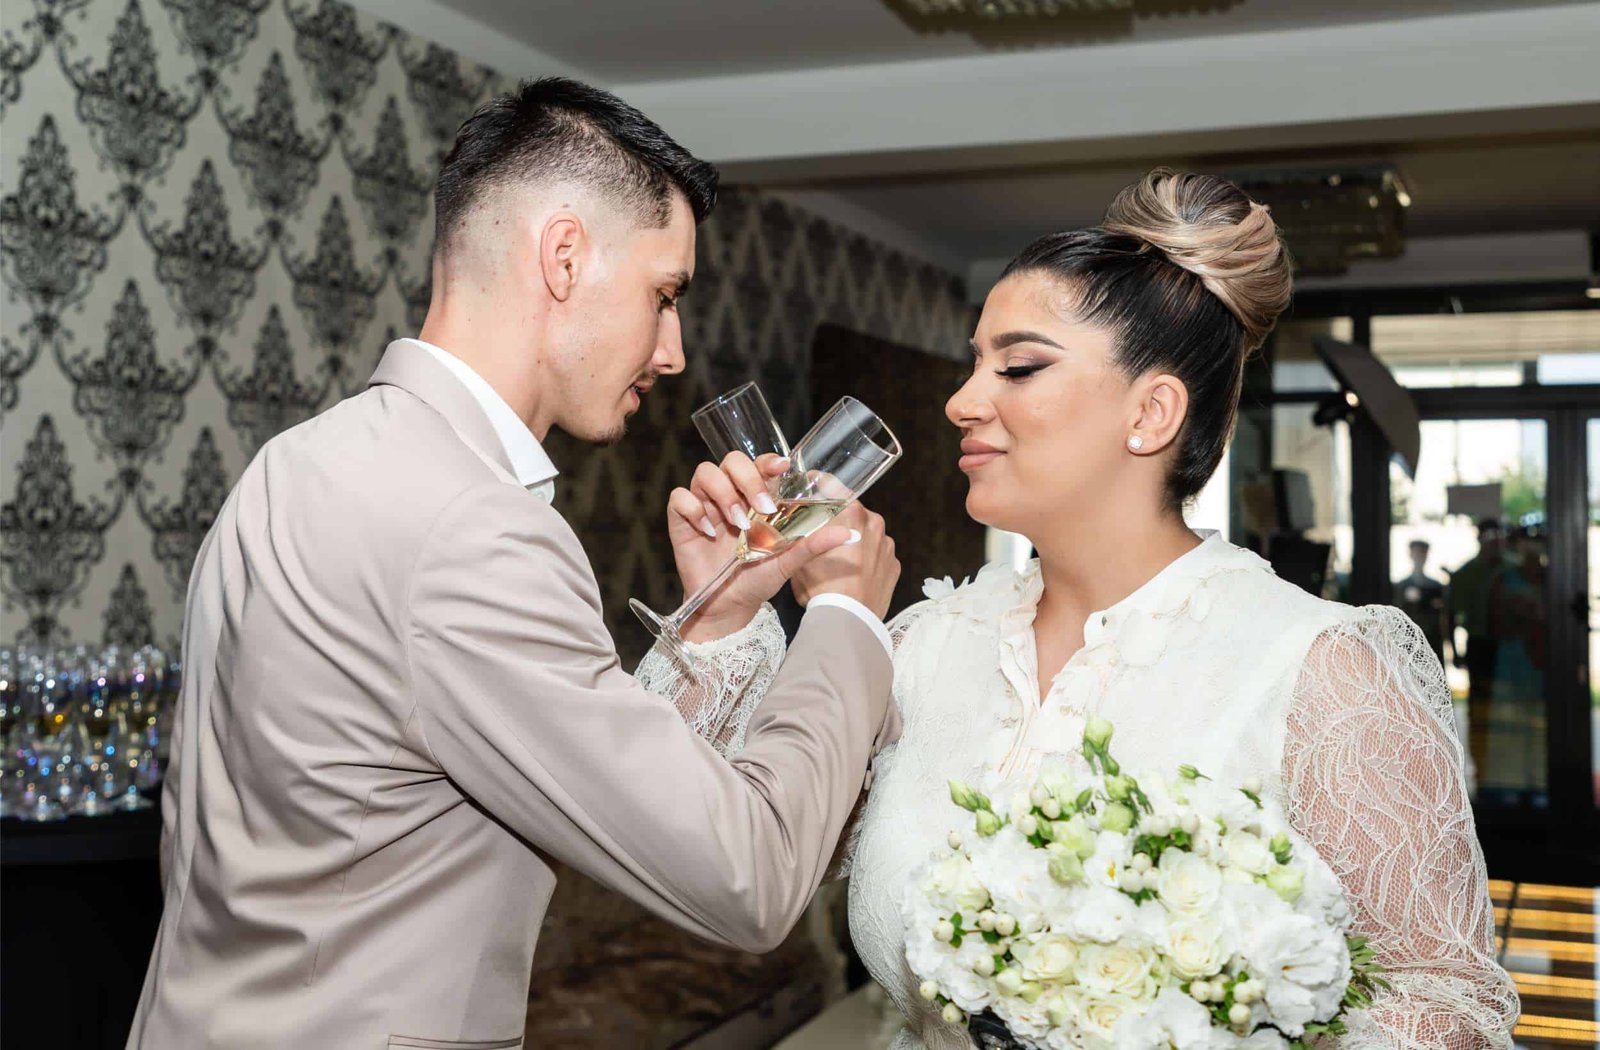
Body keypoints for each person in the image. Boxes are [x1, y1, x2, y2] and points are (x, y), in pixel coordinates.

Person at [654, 170, 1518, 1048]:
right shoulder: (920, 648)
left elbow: (1447, 1008)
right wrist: (723, 616)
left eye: (1018, 367)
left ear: (1152, 412)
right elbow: (723, 859)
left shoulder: (1321, 670)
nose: (961, 402)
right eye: (973, 363)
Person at [128, 78, 902, 1048]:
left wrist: (716, 615)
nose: (672, 351)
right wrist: (844, 617)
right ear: (564, 257)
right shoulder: (472, 527)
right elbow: (749, 879)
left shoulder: (290, 464)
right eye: (664, 296)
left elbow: (578, 778)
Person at [1448, 518, 1505, 778]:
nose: (1494, 541)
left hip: (1509, 645)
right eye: (1488, 536)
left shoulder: (1510, 569)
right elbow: (1451, 615)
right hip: (1480, 644)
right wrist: (1455, 650)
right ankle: (1481, 767)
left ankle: (1501, 765)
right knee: (1479, 707)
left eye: (1498, 536)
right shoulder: (1466, 573)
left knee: (1507, 706)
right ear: (1479, 538)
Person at [1396, 538, 1450, 664]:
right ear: (1411, 554)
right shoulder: (1401, 586)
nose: (1419, 557)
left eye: (1422, 553)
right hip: (1408, 640)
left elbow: (1443, 615)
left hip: (1431, 638)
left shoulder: (1435, 586)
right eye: (1416, 553)